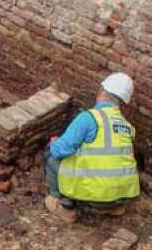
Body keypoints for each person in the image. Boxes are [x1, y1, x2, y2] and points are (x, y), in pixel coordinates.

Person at [44, 72, 140, 221]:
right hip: (124, 196)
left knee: (50, 155)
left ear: (101, 90)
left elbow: (61, 150)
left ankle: (65, 207)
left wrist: (55, 142)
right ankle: (115, 207)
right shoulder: (127, 126)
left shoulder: (89, 118)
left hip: (96, 198)